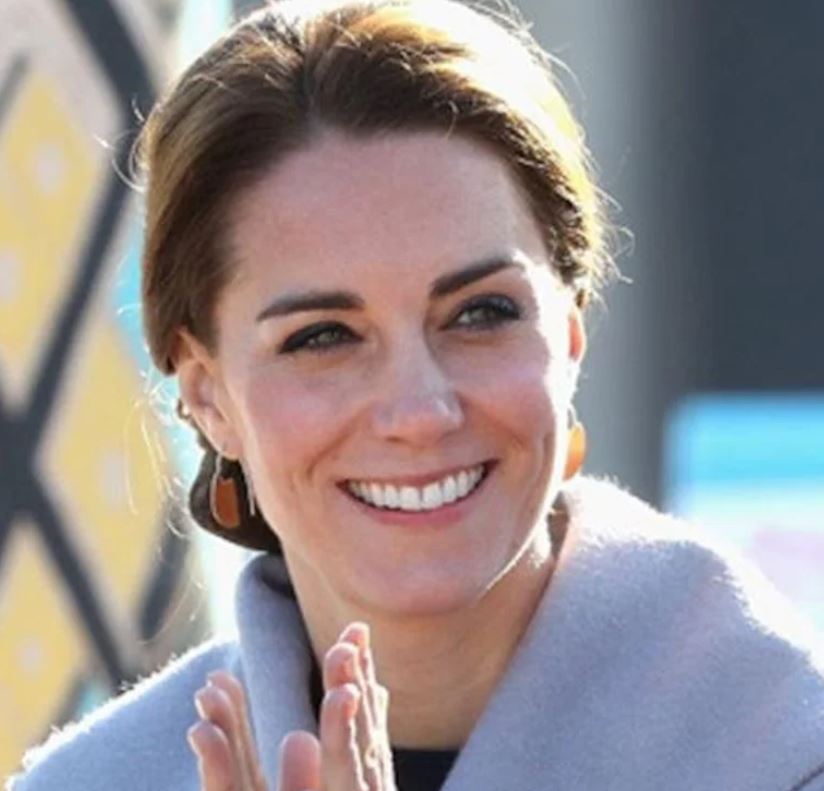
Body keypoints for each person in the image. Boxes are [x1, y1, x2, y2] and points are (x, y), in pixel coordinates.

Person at [8, 0, 824, 789]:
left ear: (571, 335)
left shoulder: (786, 743)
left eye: (480, 314)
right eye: (323, 336)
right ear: (207, 394)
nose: (420, 412)